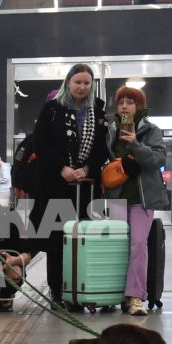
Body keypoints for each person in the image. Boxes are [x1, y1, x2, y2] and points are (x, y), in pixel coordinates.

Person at [18, 63, 109, 305]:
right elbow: (41, 144)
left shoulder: (98, 112)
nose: (82, 87)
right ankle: (57, 291)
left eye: (86, 83)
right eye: (77, 82)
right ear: (68, 82)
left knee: (84, 239)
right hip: (54, 185)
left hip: (87, 186)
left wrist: (87, 168)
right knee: (57, 239)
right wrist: (63, 168)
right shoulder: (52, 109)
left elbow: (102, 149)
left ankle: (81, 289)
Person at [108, 85, 168, 316]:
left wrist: (134, 143)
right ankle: (113, 293)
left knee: (138, 245)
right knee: (116, 246)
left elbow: (158, 159)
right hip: (116, 196)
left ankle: (135, 296)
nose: (124, 106)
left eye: (130, 102)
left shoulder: (151, 130)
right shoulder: (111, 130)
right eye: (121, 101)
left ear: (139, 106)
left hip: (143, 198)